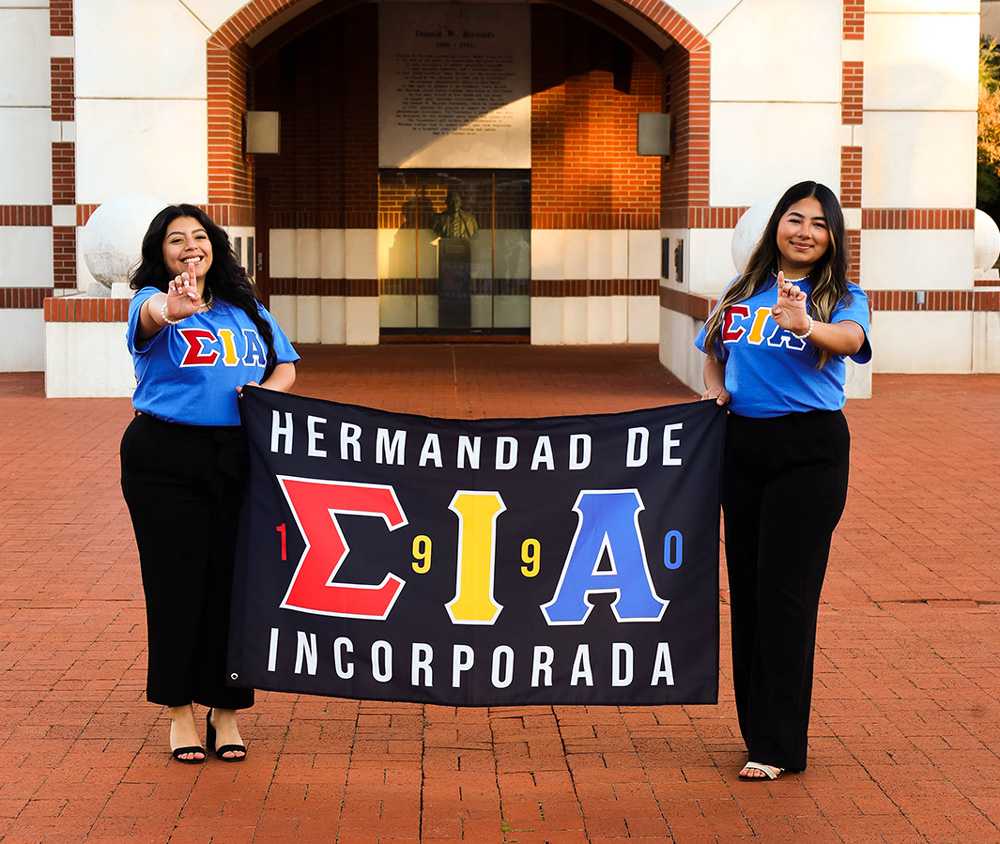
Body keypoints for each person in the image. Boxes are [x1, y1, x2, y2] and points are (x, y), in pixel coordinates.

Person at [694, 181, 871, 781]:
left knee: (783, 592)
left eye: (818, 224)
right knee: (745, 589)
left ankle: (779, 745)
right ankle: (758, 734)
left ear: (832, 237)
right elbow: (713, 348)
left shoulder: (841, 295)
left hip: (810, 451)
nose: (804, 231)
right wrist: (717, 386)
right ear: (776, 226)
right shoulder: (741, 292)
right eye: (794, 219)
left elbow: (852, 340)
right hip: (741, 446)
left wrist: (805, 323)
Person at [119, 204, 298, 764]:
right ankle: (179, 713)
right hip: (164, 459)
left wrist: (263, 394)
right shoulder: (153, 304)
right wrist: (171, 307)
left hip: (234, 457)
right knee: (176, 584)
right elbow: (151, 315)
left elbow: (286, 365)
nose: (190, 245)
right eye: (176, 240)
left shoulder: (248, 309)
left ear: (214, 246)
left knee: (232, 584)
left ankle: (226, 712)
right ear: (161, 252)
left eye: (199, 236)